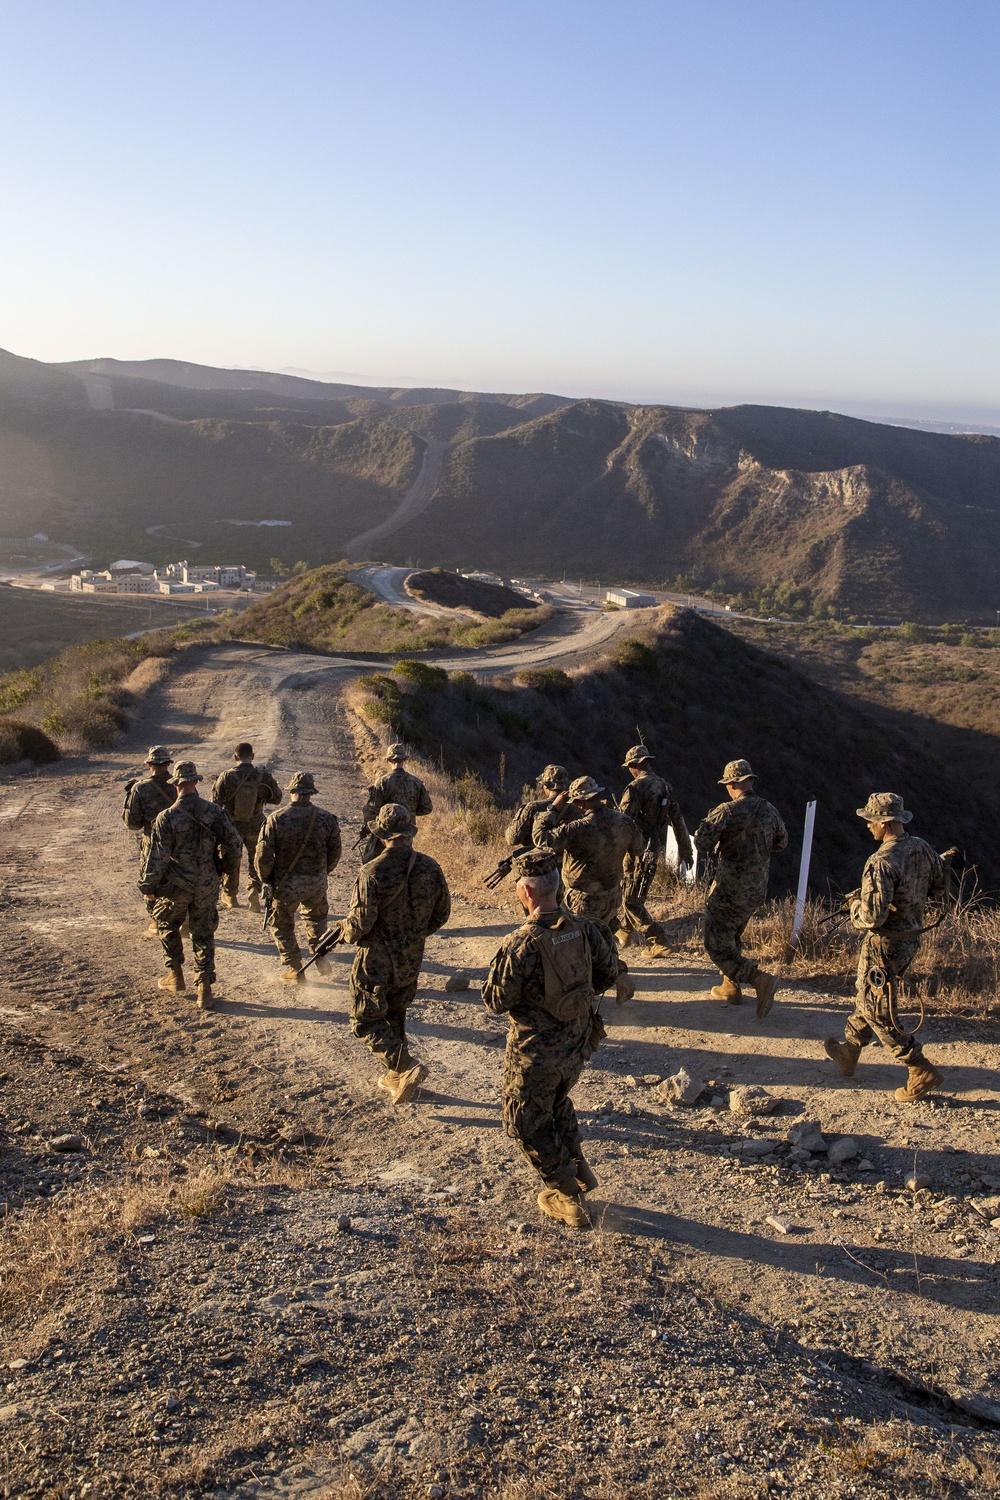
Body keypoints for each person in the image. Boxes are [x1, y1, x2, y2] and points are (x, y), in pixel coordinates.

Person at [483, 850, 618, 1229]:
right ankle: (578, 1170)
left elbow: (496, 1001)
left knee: (524, 1119)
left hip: (535, 1052)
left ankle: (566, 1194)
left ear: (526, 892)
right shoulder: (587, 929)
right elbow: (608, 975)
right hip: (576, 1045)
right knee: (556, 1101)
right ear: (556, 887)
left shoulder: (520, 943)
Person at [824, 793, 945, 1102]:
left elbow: (871, 917)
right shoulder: (923, 849)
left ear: (884, 822)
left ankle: (918, 1068)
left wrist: (854, 906)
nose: (867, 826)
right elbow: (939, 886)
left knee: (877, 1007)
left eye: (870, 821)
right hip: (911, 939)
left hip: (884, 944)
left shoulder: (880, 861)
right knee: (870, 995)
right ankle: (849, 1050)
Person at [340, 802, 450, 1105]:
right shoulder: (430, 867)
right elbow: (442, 913)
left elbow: (359, 924)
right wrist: (413, 935)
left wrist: (345, 933)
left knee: (364, 1019)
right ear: (409, 833)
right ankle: (395, 1076)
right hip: (411, 956)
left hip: (376, 958)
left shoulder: (371, 871)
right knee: (394, 1013)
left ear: (382, 834)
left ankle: (405, 1066)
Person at [139, 761, 243, 1010]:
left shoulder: (166, 818)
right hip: (206, 883)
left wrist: (149, 887)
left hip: (176, 885)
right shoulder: (214, 812)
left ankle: (175, 975)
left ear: (176, 785)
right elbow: (235, 845)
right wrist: (227, 872)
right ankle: (204, 989)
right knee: (203, 933)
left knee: (166, 924)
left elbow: (158, 857)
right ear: (196, 782)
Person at [534, 774, 643, 1005]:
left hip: (583, 899)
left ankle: (579, 999)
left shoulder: (578, 828)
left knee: (576, 944)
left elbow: (540, 838)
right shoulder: (624, 822)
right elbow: (639, 847)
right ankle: (621, 977)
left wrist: (553, 808)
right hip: (612, 894)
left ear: (580, 802)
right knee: (604, 936)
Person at [694, 759, 787, 1017]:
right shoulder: (771, 810)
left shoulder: (726, 811)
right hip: (757, 888)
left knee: (716, 942)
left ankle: (759, 980)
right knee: (732, 934)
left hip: (729, 887)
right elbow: (781, 843)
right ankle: (730, 987)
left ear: (732, 784)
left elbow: (701, 843)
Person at [255, 771, 342, 985]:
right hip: (316, 883)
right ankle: (320, 956)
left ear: (291, 791)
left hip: (286, 886)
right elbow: (335, 853)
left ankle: (295, 968)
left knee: (281, 924)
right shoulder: (327, 819)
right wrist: (322, 873)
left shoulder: (275, 819)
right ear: (311, 793)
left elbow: (263, 857)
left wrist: (267, 880)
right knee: (316, 920)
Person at [618, 744, 692, 955]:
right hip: (653, 846)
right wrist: (686, 851)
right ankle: (624, 931)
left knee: (631, 899)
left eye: (630, 767)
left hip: (636, 849)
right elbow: (678, 821)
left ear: (635, 765)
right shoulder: (665, 786)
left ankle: (659, 941)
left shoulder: (636, 788)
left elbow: (623, 822)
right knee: (633, 890)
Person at [210, 742, 281, 911]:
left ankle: (231, 895)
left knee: (231, 859)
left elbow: (215, 803)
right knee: (256, 859)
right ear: (253, 756)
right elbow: (277, 798)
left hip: (231, 826)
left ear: (235, 756)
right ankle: (253, 891)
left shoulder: (226, 776)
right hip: (256, 824)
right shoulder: (263, 776)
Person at [123, 746, 177, 936]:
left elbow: (133, 824)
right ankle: (183, 918)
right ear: (168, 764)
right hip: (179, 842)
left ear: (148, 764)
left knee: (151, 881)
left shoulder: (140, 788)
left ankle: (156, 919)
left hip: (152, 843)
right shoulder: (178, 784)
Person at [360, 744, 432, 862]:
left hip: (384, 831)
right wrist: (410, 811)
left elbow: (371, 811)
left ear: (389, 760)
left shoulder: (382, 782)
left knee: (373, 863)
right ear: (404, 760)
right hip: (406, 830)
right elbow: (427, 808)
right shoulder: (416, 783)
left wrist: (370, 826)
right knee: (403, 864)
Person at [504, 764, 571, 849]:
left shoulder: (533, 807)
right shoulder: (578, 806)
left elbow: (512, 839)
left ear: (545, 786)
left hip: (541, 860)